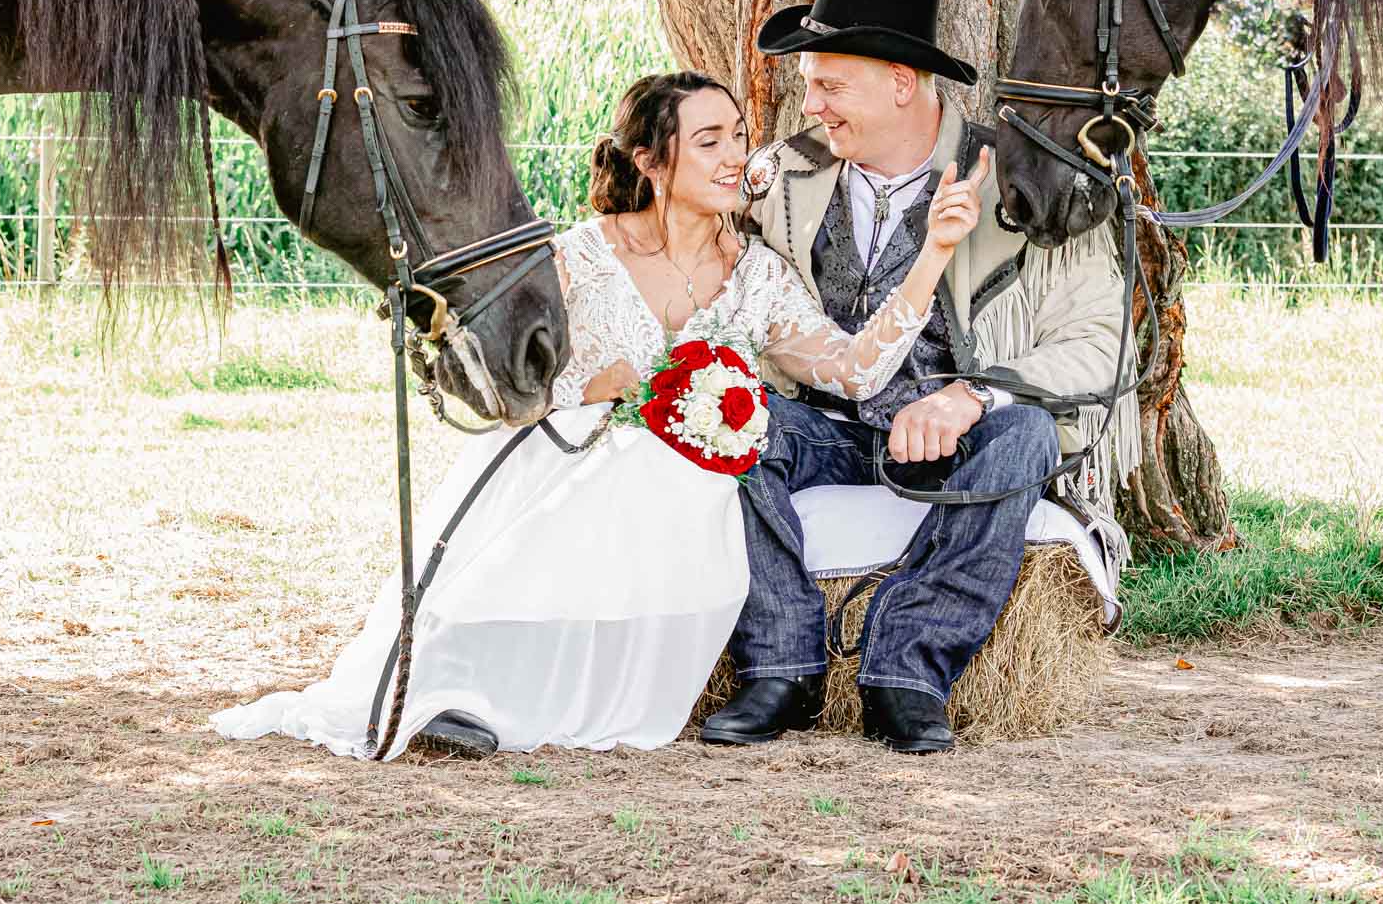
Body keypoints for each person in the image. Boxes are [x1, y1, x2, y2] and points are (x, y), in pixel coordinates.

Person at [210, 70, 988, 759]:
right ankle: (458, 696)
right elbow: (511, 383)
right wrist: (585, 389)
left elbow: (856, 373)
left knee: (691, 476)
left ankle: (559, 697)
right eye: (710, 140)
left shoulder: (757, 275)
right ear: (649, 162)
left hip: (692, 479)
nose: (735, 158)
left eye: (738, 138)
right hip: (573, 454)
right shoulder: (577, 258)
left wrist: (934, 253)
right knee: (587, 486)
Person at [705, 0, 1136, 756]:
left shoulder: (1029, 183)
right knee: (728, 427)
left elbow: (1099, 345)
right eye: (810, 85)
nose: (810, 105)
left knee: (1025, 438)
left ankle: (907, 670)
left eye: (829, 85)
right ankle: (781, 666)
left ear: (901, 82)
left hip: (963, 435)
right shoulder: (778, 178)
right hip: (827, 425)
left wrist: (971, 397)